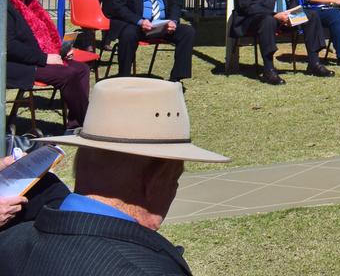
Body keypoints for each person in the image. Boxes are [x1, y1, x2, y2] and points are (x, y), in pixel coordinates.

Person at [0, 77, 229, 275]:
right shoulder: (147, 269)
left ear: (80, 163)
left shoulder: (10, 242)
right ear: (155, 180)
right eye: (174, 180)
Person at [6, 0, 90, 130]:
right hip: (17, 64)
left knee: (81, 69)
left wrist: (62, 50)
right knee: (67, 74)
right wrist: (45, 58)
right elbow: (10, 46)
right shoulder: (6, 7)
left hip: (41, 56)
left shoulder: (31, 3)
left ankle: (75, 124)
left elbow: (44, 36)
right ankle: (89, 122)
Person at [107, 0, 195, 82]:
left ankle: (176, 79)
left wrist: (173, 20)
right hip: (137, 25)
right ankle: (124, 76)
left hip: (162, 25)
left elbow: (175, 3)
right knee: (128, 33)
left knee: (187, 32)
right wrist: (140, 21)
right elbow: (118, 7)